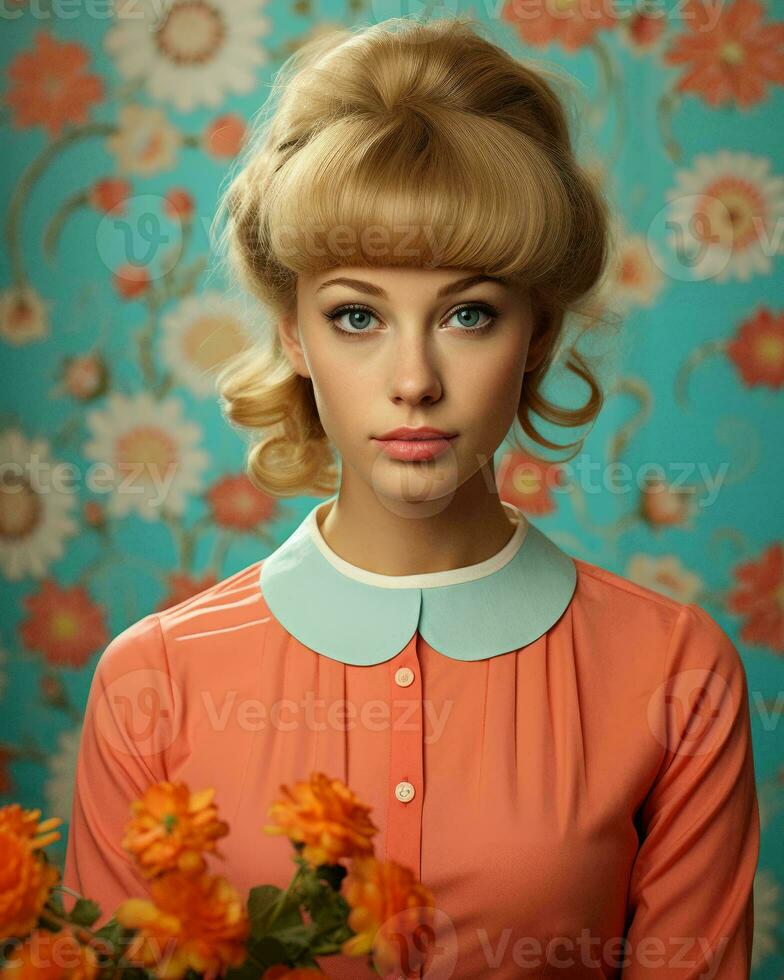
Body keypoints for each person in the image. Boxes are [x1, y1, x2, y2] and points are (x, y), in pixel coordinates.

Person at [63, 14, 760, 978]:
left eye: (469, 314)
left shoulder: (677, 674)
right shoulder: (153, 685)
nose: (414, 379)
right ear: (295, 335)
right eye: (357, 315)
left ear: (540, 337)